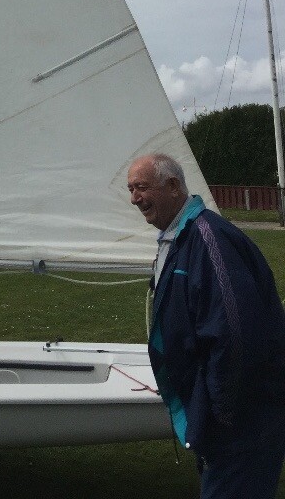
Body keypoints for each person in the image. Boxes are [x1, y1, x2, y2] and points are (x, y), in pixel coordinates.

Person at [127, 152, 285, 498]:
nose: (134, 198)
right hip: (223, 423)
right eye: (131, 189)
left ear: (172, 187)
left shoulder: (209, 240)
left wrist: (220, 417)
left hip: (242, 426)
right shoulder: (178, 237)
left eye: (141, 187)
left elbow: (236, 336)